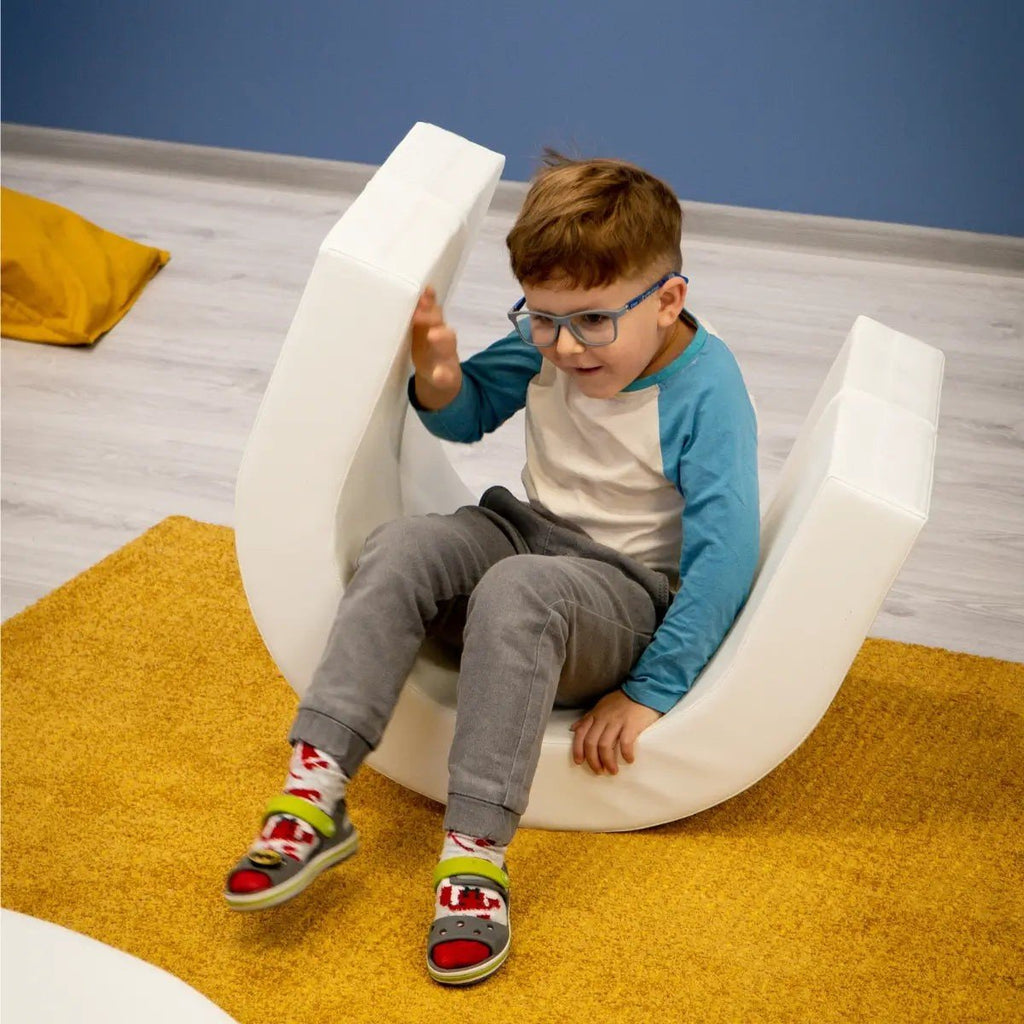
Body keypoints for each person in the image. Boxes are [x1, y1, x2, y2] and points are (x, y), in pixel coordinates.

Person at [224, 150, 760, 986]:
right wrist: (439, 373)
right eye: (542, 319)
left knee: (516, 592)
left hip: (619, 594)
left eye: (590, 323)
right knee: (402, 546)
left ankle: (474, 856)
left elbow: (727, 556)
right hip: (522, 532)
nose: (563, 347)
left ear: (669, 299)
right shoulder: (550, 336)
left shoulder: (706, 391)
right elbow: (470, 412)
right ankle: (315, 790)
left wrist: (651, 689)